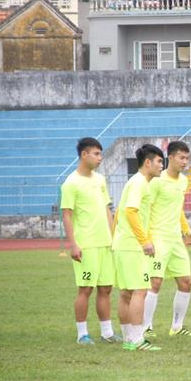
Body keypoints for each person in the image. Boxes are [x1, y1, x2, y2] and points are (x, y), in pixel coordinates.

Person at [60, 137, 119, 345]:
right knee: (85, 289)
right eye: (96, 154)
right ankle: (82, 334)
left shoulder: (100, 180)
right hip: (86, 244)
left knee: (106, 288)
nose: (100, 158)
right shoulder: (71, 183)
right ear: (84, 155)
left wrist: (113, 237)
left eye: (101, 154)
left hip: (104, 243)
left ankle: (107, 332)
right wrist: (73, 244)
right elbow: (67, 215)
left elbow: (106, 209)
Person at [112, 144, 164, 351]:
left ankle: (128, 339)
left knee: (126, 292)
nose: (162, 165)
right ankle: (136, 339)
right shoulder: (139, 183)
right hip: (132, 246)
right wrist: (144, 241)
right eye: (159, 161)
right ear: (148, 162)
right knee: (140, 291)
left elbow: (120, 212)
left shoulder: (135, 182)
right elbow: (131, 212)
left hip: (123, 244)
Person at [142, 141, 191, 338]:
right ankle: (146, 327)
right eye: (181, 157)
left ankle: (177, 326)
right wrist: (146, 239)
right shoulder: (157, 181)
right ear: (170, 157)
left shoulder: (183, 181)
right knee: (154, 283)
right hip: (158, 237)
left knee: (186, 282)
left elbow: (177, 207)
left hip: (175, 239)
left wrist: (186, 229)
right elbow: (146, 209)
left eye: (187, 158)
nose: (184, 162)